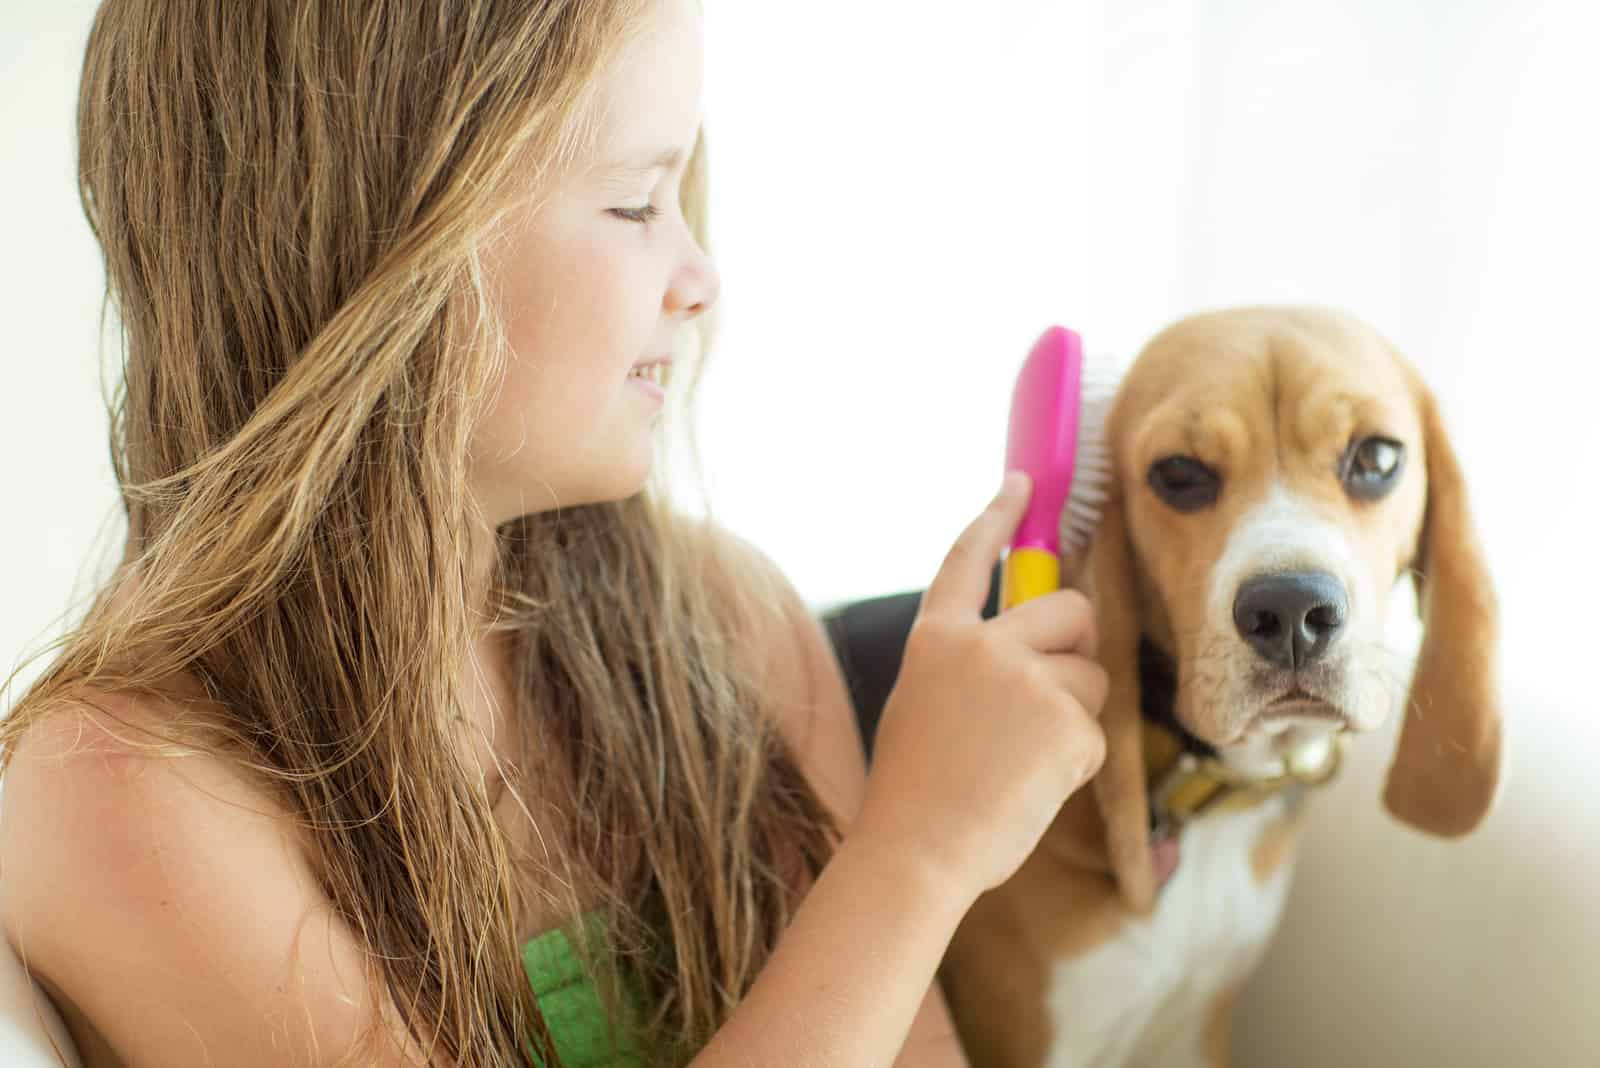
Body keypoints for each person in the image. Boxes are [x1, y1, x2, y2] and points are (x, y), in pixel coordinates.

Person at [0, 1, 1108, 1065]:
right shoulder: (123, 791)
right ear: (384, 240)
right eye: (635, 203)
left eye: (684, 194)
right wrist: (916, 857)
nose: (701, 279)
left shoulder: (721, 622)